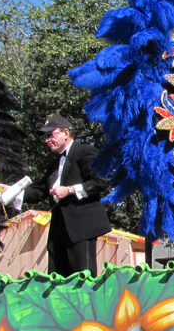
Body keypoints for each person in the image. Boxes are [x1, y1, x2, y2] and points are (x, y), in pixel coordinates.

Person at [17, 115, 111, 277]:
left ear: (66, 133)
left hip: (81, 228)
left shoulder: (84, 152)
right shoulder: (54, 163)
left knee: (82, 278)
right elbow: (39, 191)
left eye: (50, 135)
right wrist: (11, 192)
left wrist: (70, 190)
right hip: (58, 231)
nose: (47, 140)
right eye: (45, 137)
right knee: (57, 278)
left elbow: (101, 181)